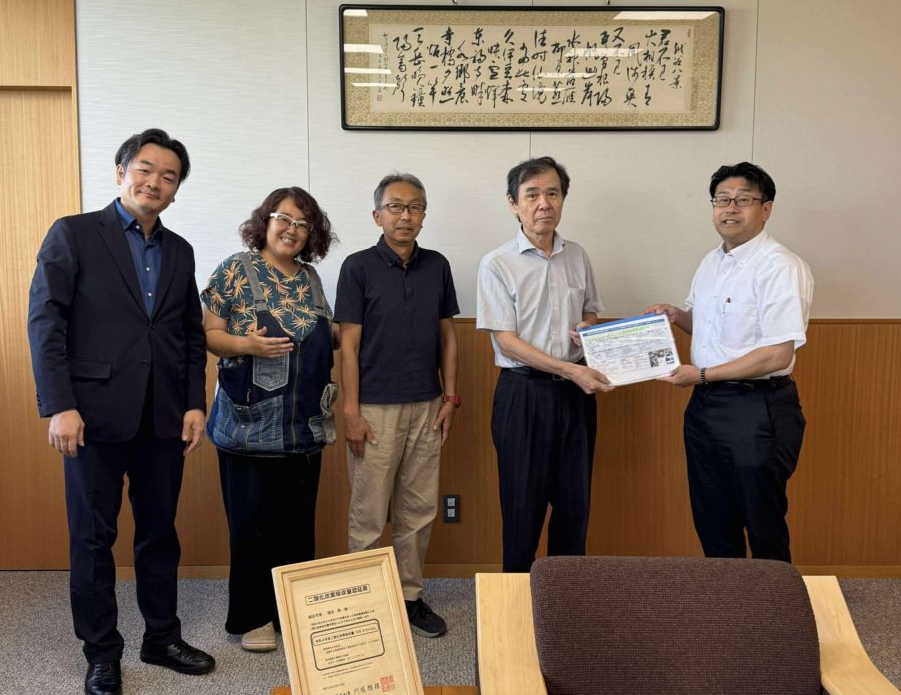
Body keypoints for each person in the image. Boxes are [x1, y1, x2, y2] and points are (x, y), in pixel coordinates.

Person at [27, 128, 214, 695]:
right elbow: (46, 322)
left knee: (160, 533)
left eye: (169, 176)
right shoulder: (75, 233)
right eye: (145, 169)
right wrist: (59, 404)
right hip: (91, 416)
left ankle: (161, 638)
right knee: (93, 538)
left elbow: (188, 335)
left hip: (163, 417)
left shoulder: (180, 250)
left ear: (176, 190)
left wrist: (194, 403)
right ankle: (102, 653)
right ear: (120, 172)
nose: (155, 182)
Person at [649, 161, 813, 562]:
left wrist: (702, 374)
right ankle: (726, 601)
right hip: (706, 407)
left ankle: (772, 602)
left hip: (757, 409)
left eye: (743, 200)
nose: (730, 208)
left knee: (762, 521)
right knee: (713, 519)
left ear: (766, 208)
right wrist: (676, 316)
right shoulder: (711, 262)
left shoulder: (780, 266)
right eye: (722, 200)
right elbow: (710, 328)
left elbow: (777, 353)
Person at [201, 188, 337, 652]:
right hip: (249, 427)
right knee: (252, 527)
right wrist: (248, 345)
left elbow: (326, 335)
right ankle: (255, 617)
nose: (292, 230)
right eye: (284, 219)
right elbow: (210, 334)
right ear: (266, 220)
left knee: (297, 527)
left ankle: (291, 613)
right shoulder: (235, 270)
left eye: (303, 224)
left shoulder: (311, 279)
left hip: (304, 426)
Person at [335, 173, 459, 638]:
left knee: (419, 509)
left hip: (428, 405)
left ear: (423, 215)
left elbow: (448, 336)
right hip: (373, 409)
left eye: (415, 207)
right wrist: (351, 411)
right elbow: (348, 347)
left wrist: (451, 396)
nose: (405, 215)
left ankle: (409, 597)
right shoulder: (357, 267)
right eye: (395, 207)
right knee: (368, 512)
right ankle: (365, 601)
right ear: (377, 215)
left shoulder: (437, 265)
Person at [476, 156, 613, 574]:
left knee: (574, 507)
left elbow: (590, 311)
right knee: (522, 509)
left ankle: (565, 602)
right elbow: (506, 340)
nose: (543, 203)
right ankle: (517, 602)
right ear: (513, 204)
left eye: (553, 193)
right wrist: (571, 369)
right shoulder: (497, 263)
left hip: (576, 396)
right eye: (532, 194)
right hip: (523, 394)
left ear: (563, 200)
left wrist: (587, 329)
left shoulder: (578, 255)